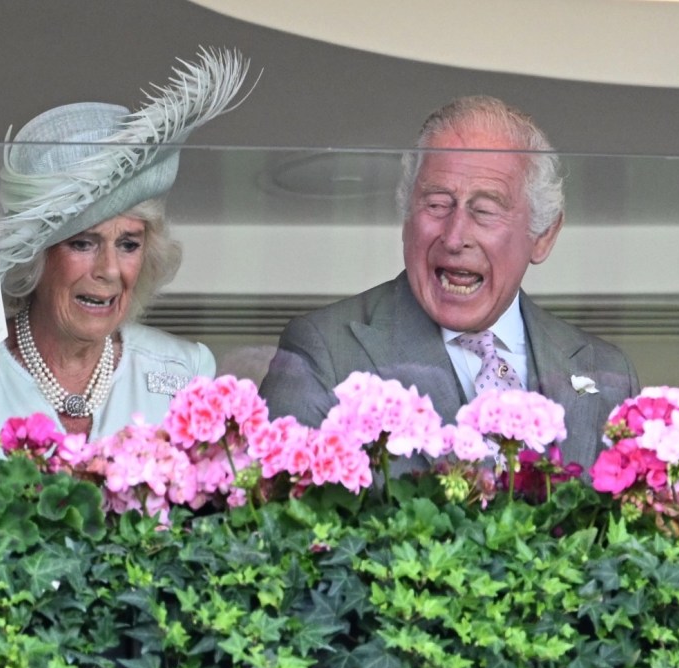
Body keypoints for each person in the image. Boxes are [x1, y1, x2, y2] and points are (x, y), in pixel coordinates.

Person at [0, 48, 253, 484]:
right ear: (37, 257)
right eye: (83, 243)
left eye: (129, 244)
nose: (110, 270)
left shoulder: (184, 371)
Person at [260, 95, 640, 471]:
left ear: (542, 236)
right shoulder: (325, 352)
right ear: (407, 216)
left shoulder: (605, 371)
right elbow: (277, 520)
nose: (455, 237)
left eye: (485, 210)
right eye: (437, 205)